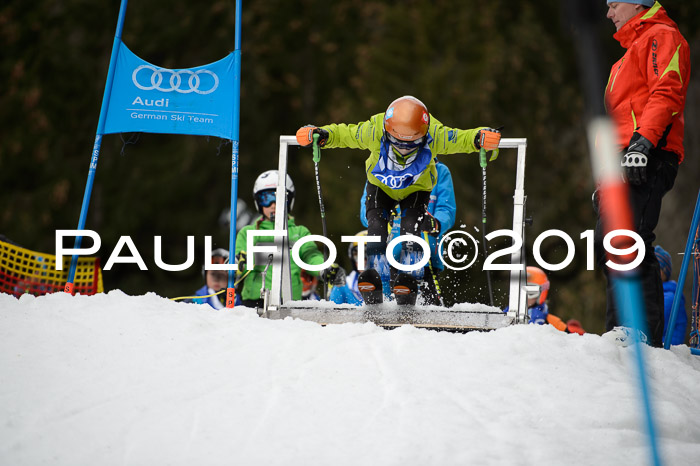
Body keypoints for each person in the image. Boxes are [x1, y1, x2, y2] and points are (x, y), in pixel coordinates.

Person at [297, 95, 500, 297]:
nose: (403, 149)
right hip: (381, 187)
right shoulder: (374, 130)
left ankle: (408, 278)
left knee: (411, 228)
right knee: (376, 226)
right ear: (387, 131)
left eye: (411, 144)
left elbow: (458, 138)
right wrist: (324, 135)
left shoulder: (434, 134)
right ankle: (375, 278)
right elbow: (347, 134)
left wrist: (477, 138)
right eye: (397, 142)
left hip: (416, 190)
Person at [596, 1, 690, 347]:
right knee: (608, 240)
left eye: (614, 4)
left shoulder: (662, 37)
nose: (609, 14)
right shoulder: (623, 59)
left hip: (647, 153)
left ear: (637, 3)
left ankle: (640, 334)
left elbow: (667, 91)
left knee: (628, 239)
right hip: (620, 158)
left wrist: (643, 144)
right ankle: (618, 331)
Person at [359, 160, 456, 305]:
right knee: (385, 305)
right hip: (390, 256)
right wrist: (382, 216)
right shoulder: (381, 166)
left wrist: (435, 223)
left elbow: (446, 209)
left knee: (425, 307)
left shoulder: (439, 170)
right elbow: (366, 211)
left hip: (425, 258)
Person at [235, 170, 325, 308]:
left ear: (289, 201)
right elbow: (239, 259)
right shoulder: (248, 233)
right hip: (255, 302)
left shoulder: (300, 233)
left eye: (279, 198)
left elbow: (310, 256)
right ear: (258, 203)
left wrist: (324, 268)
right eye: (266, 199)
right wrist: (238, 262)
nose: (273, 205)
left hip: (290, 301)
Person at [524, 266, 585, 335]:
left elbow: (573, 341)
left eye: (530, 292)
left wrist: (575, 331)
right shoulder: (509, 318)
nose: (524, 297)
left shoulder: (552, 323)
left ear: (541, 293)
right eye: (519, 292)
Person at [655, 245, 687, 345]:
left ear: (664, 272)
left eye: (656, 268)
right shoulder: (663, 295)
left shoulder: (669, 298)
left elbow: (650, 326)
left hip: (665, 352)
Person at [328, 230, 367, 306]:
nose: (363, 261)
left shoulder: (389, 283)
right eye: (358, 255)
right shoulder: (342, 286)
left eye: (369, 256)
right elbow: (332, 315)